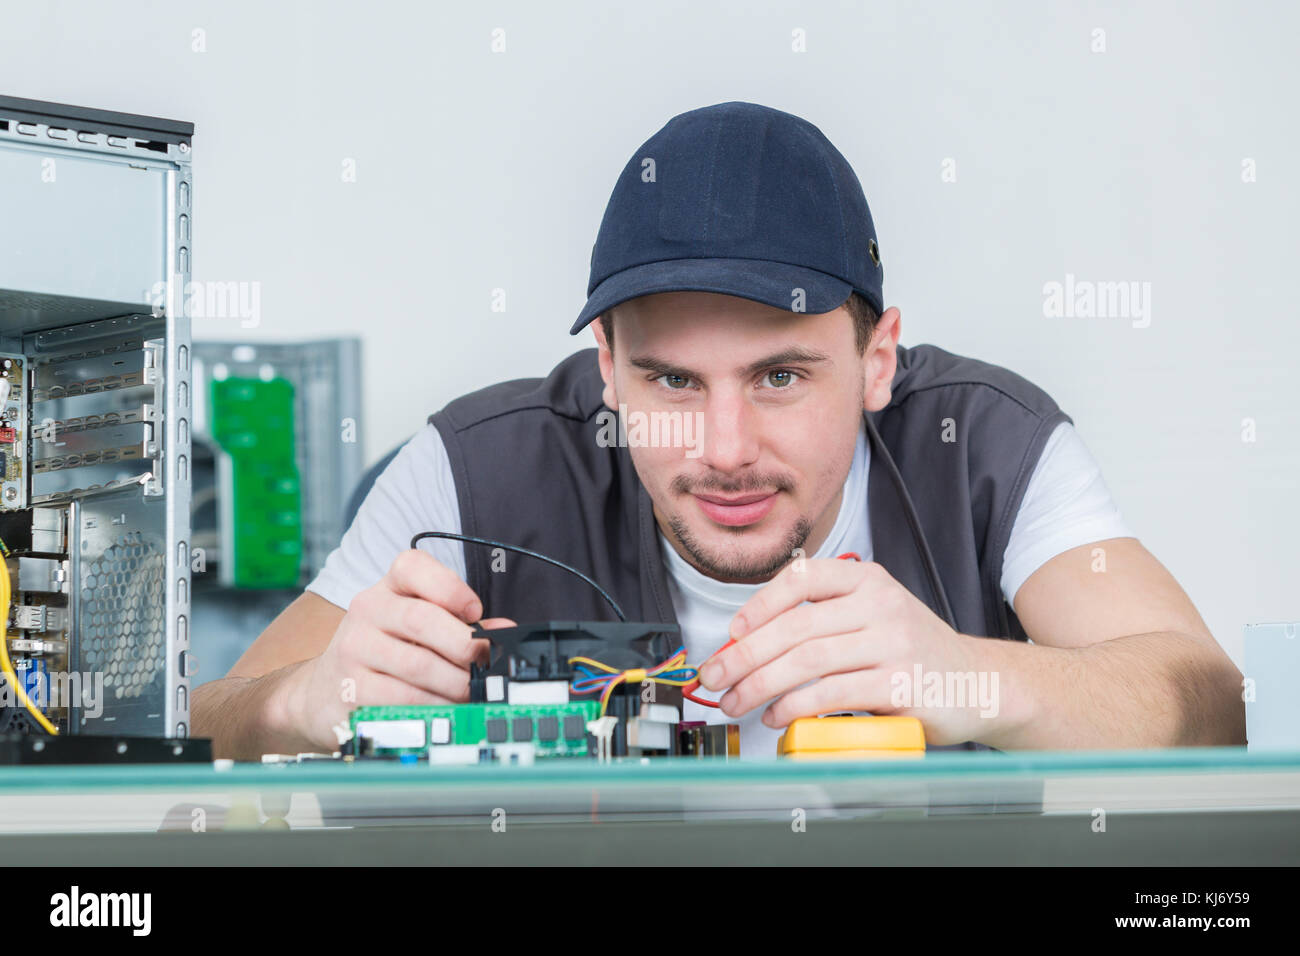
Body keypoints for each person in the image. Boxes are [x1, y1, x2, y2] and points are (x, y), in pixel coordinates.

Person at [193, 101, 1245, 760]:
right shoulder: (475, 469)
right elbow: (199, 724)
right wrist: (299, 701)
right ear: (605, 365)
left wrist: (967, 675)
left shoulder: (985, 445)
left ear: (878, 359)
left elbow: (1207, 701)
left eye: (781, 375)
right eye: (670, 379)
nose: (726, 445)